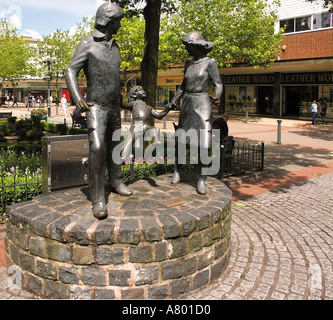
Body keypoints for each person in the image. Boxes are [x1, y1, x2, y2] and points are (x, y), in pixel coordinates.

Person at [65, 2, 132, 219]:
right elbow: (70, 70)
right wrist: (77, 98)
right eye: (118, 21)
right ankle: (98, 197)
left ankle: (115, 180)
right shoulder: (87, 44)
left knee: (115, 145)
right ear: (108, 21)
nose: (120, 25)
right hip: (96, 106)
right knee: (97, 147)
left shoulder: (116, 46)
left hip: (113, 105)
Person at [169, 31, 223, 195]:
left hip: (202, 103)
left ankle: (201, 178)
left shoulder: (210, 63)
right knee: (182, 140)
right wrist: (174, 101)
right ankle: (178, 170)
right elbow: (183, 85)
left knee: (204, 143)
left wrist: (216, 97)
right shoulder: (188, 64)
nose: (187, 50)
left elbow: (218, 84)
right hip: (187, 103)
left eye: (188, 46)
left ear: (196, 46)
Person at [121, 85, 173, 160]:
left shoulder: (148, 107)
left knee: (153, 129)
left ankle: (155, 142)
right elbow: (123, 105)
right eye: (140, 90)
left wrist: (167, 109)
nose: (143, 91)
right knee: (130, 141)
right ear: (134, 94)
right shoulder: (134, 104)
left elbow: (159, 115)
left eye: (143, 89)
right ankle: (123, 156)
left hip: (147, 126)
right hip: (137, 127)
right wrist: (119, 101)